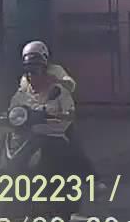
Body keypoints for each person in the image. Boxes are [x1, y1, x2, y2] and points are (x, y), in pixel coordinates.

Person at [13, 40, 103, 188]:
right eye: (29, 68)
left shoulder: (56, 71)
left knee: (73, 146)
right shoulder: (24, 79)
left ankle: (92, 180)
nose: (32, 73)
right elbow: (20, 97)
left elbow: (69, 85)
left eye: (36, 67)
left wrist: (58, 83)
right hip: (34, 121)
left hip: (55, 120)